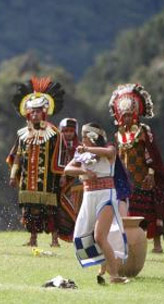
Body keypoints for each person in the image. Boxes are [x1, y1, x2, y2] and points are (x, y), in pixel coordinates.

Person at [65, 123, 128, 284]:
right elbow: (68, 169)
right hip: (89, 196)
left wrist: (87, 150)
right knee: (83, 235)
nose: (83, 140)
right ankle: (103, 263)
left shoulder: (109, 149)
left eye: (86, 137)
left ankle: (114, 276)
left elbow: (108, 152)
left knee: (100, 236)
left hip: (106, 195)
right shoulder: (82, 153)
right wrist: (84, 171)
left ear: (93, 137)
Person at [7, 77, 64, 247]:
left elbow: (60, 156)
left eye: (38, 111)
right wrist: (12, 175)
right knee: (29, 210)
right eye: (32, 111)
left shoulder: (54, 133)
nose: (35, 114)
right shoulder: (22, 133)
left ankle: (54, 240)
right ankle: (33, 239)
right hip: (27, 180)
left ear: (44, 113)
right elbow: (17, 155)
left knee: (51, 210)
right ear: (28, 113)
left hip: (49, 180)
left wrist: (62, 174)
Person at [109, 83, 164, 253]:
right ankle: (129, 244)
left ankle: (157, 244)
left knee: (151, 213)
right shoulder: (117, 135)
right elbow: (117, 156)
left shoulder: (143, 131)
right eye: (123, 115)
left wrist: (151, 172)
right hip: (126, 179)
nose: (126, 118)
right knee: (128, 213)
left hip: (144, 177)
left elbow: (151, 154)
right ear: (119, 115)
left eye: (129, 115)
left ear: (135, 114)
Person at [56, 118, 83, 242]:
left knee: (78, 209)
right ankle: (61, 236)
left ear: (75, 132)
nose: (68, 134)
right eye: (65, 131)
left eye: (71, 131)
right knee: (60, 211)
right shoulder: (56, 146)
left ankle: (78, 235)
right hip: (60, 184)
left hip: (77, 184)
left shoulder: (81, 147)